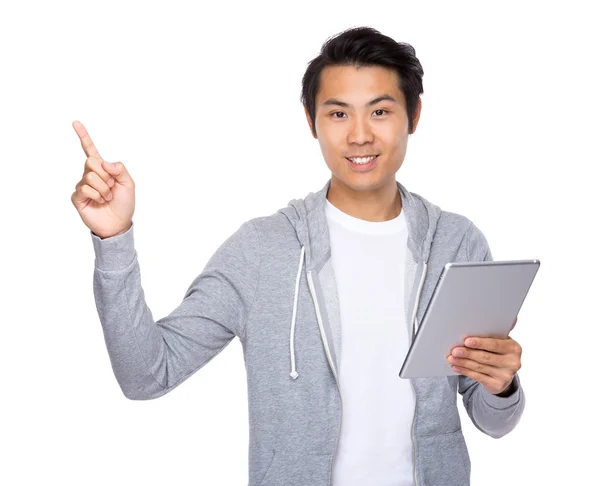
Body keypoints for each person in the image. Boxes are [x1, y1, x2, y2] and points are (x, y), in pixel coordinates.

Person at [71, 26, 524, 486]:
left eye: (381, 111)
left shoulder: (457, 243)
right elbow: (147, 375)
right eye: (338, 114)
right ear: (312, 122)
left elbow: (494, 420)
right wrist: (115, 240)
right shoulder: (261, 250)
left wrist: (501, 384)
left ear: (414, 115)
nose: (360, 135)